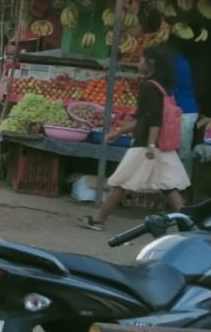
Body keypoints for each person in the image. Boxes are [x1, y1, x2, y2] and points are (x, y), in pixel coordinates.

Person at [81, 46, 190, 231]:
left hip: (146, 145)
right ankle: (190, 225)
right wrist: (119, 132)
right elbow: (144, 119)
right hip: (160, 145)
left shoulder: (149, 86)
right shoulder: (163, 86)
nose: (138, 63)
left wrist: (150, 144)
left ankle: (99, 220)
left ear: (151, 63)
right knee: (169, 186)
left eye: (141, 60)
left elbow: (153, 118)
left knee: (119, 183)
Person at [169, 44, 199, 175]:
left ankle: (184, 185)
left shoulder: (177, 64)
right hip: (181, 110)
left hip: (185, 112)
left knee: (183, 151)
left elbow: (171, 88)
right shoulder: (179, 62)